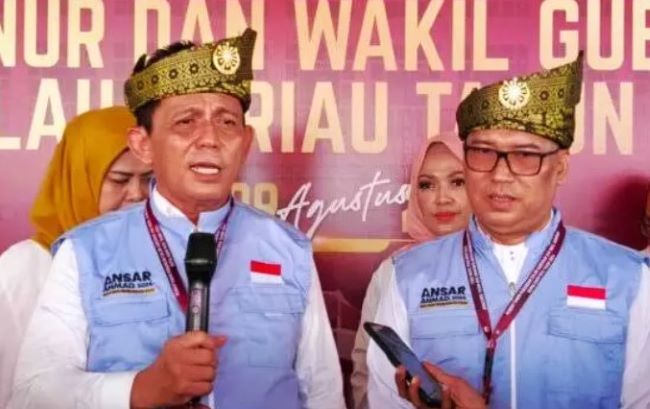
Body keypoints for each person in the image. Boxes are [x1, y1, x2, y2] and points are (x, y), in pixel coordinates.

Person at [9, 29, 345, 409]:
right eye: (186, 122)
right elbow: (32, 394)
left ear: (246, 143)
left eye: (227, 122)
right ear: (143, 145)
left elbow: (323, 394)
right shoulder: (85, 252)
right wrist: (140, 389)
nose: (210, 139)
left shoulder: (289, 249)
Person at [367, 53, 650, 409]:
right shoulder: (408, 276)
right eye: (483, 152)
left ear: (561, 168)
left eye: (525, 155)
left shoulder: (626, 278)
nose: (500, 174)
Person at [0, 106, 151, 408]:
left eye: (149, 179)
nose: (137, 194)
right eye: (119, 180)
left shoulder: (156, 260)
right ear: (79, 179)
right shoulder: (23, 270)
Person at [350, 132, 471, 409]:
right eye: (427, 185)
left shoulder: (505, 265)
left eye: (457, 182)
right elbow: (365, 366)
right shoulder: (394, 269)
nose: (442, 198)